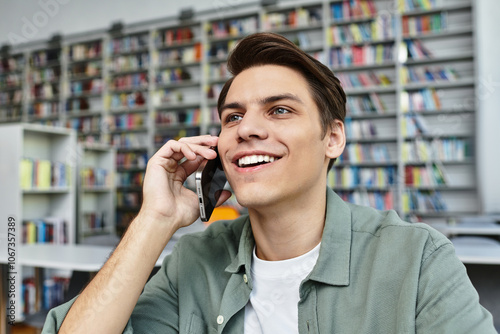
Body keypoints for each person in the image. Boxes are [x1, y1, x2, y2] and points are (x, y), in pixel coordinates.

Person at [42, 32, 496, 333]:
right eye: (232, 117)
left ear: (332, 138)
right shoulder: (195, 261)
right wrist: (155, 220)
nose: (245, 129)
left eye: (279, 110)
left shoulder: (417, 259)